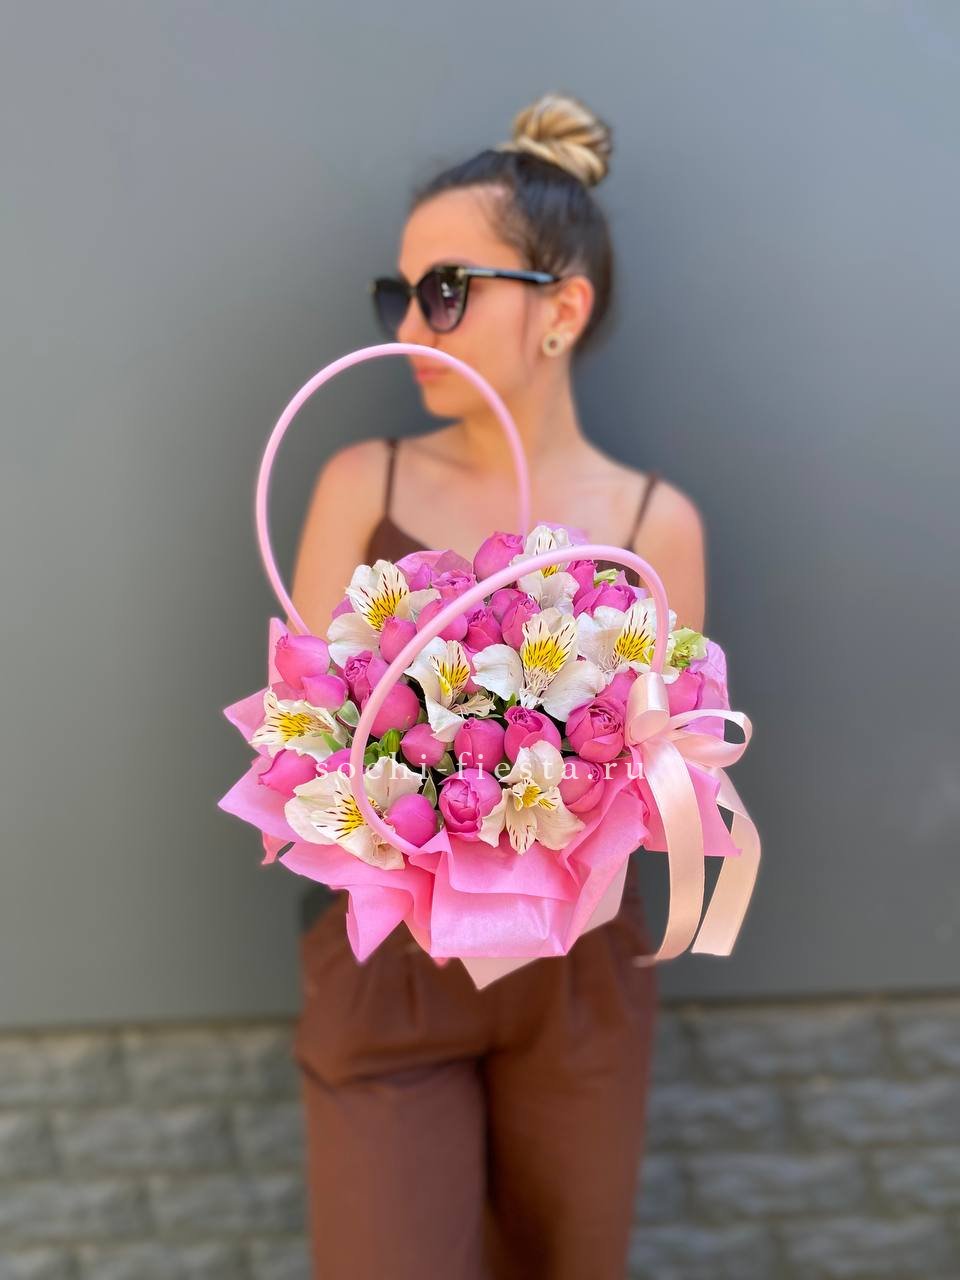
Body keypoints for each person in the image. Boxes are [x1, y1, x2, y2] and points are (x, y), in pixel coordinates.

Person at [288, 91, 707, 1280]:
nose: (413, 322)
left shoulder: (653, 525)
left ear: (560, 310)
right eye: (402, 292)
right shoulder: (359, 483)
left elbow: (663, 782)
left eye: (449, 289)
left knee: (565, 1256)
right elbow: (298, 728)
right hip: (385, 963)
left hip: (578, 972)